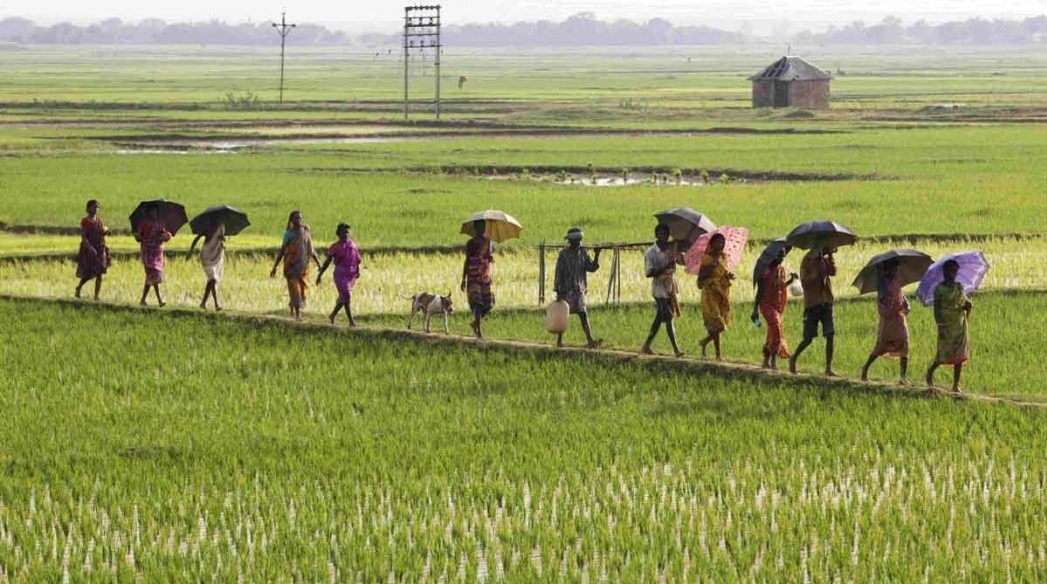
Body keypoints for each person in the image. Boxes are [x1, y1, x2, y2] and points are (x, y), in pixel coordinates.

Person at [925, 259, 973, 392]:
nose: (952, 273)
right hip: (946, 324)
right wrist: (939, 325)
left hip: (959, 323)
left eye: (954, 271)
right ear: (944, 272)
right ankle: (931, 371)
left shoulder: (959, 287)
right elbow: (937, 308)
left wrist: (967, 305)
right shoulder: (939, 289)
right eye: (949, 271)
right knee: (943, 353)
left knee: (959, 354)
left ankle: (955, 385)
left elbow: (962, 301)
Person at [789, 246, 837, 376]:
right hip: (813, 303)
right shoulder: (807, 261)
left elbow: (833, 272)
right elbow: (805, 282)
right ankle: (794, 357)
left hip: (826, 300)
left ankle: (828, 367)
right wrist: (817, 274)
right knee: (808, 338)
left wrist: (831, 257)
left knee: (830, 334)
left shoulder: (825, 259)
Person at [861, 259, 910, 383]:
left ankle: (903, 377)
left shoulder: (897, 280)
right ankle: (865, 368)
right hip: (888, 321)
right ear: (889, 269)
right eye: (895, 268)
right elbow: (881, 303)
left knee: (905, 343)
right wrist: (893, 309)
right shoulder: (883, 284)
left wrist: (905, 303)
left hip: (899, 319)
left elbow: (901, 295)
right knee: (881, 346)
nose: (897, 270)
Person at [553, 227, 601, 348]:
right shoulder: (563, 255)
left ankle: (590, 340)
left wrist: (597, 255)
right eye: (576, 241)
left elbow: (592, 267)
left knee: (583, 314)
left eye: (579, 240)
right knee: (563, 316)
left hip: (579, 290)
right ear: (571, 241)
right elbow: (559, 273)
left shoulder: (583, 252)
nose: (579, 243)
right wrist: (558, 291)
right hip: (566, 290)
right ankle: (559, 340)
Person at [641, 223, 684, 357]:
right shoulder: (651, 253)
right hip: (659, 288)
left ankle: (646, 345)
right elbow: (649, 273)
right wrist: (666, 266)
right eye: (660, 234)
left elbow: (683, 262)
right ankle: (676, 349)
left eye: (665, 234)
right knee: (669, 316)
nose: (663, 236)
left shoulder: (671, 249)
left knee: (659, 319)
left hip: (670, 287)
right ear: (656, 235)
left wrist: (679, 255)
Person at [270, 210, 321, 320]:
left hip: (303, 267)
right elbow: (282, 250)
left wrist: (319, 264)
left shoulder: (306, 233)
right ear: (291, 220)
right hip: (291, 266)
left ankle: (293, 309)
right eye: (296, 218)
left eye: (300, 218)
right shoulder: (289, 234)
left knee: (302, 290)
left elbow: (311, 250)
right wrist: (275, 266)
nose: (298, 220)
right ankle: (297, 314)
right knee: (295, 289)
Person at [751, 247, 796, 370]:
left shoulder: (781, 270)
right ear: (772, 256)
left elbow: (780, 287)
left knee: (771, 333)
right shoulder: (765, 271)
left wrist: (790, 281)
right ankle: (773, 361)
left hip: (777, 305)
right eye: (779, 255)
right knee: (776, 328)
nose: (781, 258)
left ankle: (765, 361)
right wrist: (755, 309)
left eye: (783, 256)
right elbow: (760, 292)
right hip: (766, 304)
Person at [696, 233, 735, 361]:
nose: (721, 245)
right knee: (719, 325)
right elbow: (701, 278)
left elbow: (723, 272)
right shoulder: (707, 258)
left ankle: (717, 354)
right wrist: (710, 267)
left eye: (723, 242)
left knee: (715, 327)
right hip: (710, 294)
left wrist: (729, 276)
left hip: (721, 294)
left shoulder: (724, 257)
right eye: (718, 242)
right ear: (712, 244)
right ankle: (705, 342)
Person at [316, 223, 362, 326]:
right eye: (344, 232)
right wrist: (320, 274)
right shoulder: (335, 247)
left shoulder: (353, 246)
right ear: (339, 234)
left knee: (343, 297)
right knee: (347, 295)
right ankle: (351, 321)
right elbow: (328, 261)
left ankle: (332, 315)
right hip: (340, 275)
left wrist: (358, 271)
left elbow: (357, 260)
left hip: (351, 276)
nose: (346, 235)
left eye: (348, 233)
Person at [461, 219, 495, 339]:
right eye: (480, 227)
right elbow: (467, 260)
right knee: (477, 302)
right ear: (475, 228)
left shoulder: (488, 242)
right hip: (473, 275)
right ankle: (479, 330)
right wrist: (463, 278)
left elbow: (490, 259)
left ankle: (475, 323)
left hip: (485, 276)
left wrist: (490, 259)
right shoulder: (470, 243)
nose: (482, 229)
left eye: (484, 227)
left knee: (489, 303)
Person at [135, 203, 171, 307]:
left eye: (155, 211)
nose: (154, 213)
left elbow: (166, 235)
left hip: (157, 252)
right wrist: (138, 237)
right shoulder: (143, 224)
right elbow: (139, 237)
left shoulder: (160, 224)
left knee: (153, 275)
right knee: (153, 274)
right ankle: (157, 300)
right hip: (148, 252)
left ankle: (148, 300)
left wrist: (165, 236)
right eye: (152, 211)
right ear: (148, 213)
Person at [75, 199, 110, 300]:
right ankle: (79, 287)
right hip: (89, 250)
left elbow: (101, 232)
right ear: (88, 208)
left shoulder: (99, 221)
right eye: (94, 207)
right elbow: (84, 237)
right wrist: (90, 248)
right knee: (90, 273)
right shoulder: (85, 221)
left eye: (98, 207)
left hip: (100, 248)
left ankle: (96, 296)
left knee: (100, 271)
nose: (96, 209)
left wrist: (106, 233)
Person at [187, 223, 226, 311]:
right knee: (213, 278)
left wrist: (222, 239)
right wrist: (191, 251)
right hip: (206, 255)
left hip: (216, 255)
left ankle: (203, 303)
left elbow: (222, 240)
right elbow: (197, 238)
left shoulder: (222, 226)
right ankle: (217, 303)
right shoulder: (208, 226)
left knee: (211, 280)